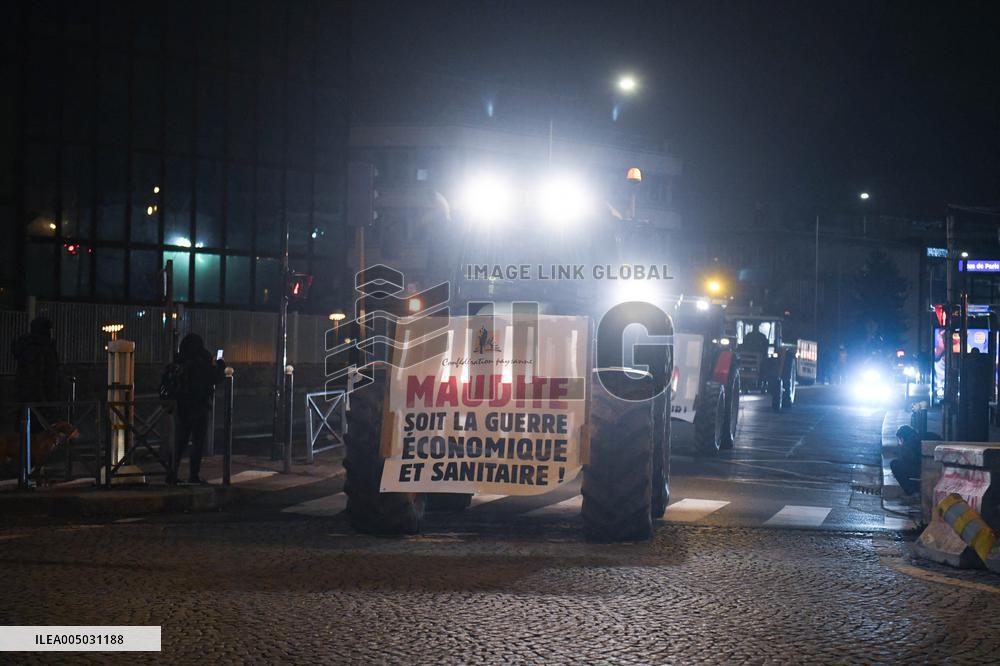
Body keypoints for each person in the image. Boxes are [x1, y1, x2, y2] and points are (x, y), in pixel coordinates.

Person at [167, 333, 224, 484]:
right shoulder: (202, 361)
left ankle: (171, 474)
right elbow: (216, 378)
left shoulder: (179, 360)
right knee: (197, 443)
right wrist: (220, 365)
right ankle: (193, 475)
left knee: (180, 442)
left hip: (182, 406)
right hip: (199, 406)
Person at [12, 316, 60, 404]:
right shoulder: (42, 347)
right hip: (40, 396)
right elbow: (41, 373)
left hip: (27, 394)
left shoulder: (28, 344)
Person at [889, 425, 921, 495]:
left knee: (894, 464)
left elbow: (908, 458)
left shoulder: (910, 441)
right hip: (921, 467)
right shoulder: (915, 437)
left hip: (919, 469)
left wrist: (902, 448)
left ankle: (910, 492)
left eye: (900, 439)